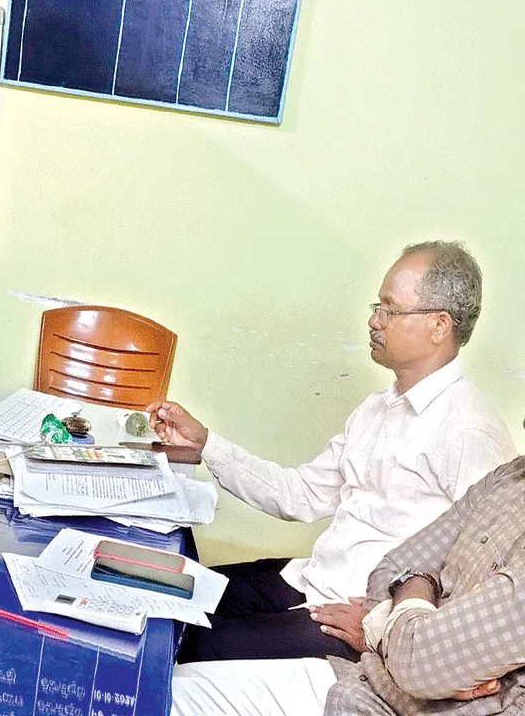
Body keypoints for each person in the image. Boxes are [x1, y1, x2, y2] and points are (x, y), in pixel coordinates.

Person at [148, 241, 514, 663]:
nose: (374, 321)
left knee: (179, 647)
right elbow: (300, 495)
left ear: (439, 325)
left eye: (391, 310)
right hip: (311, 578)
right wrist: (206, 443)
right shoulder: (377, 409)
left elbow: (485, 575)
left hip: (353, 614)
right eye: (377, 306)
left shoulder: (471, 432)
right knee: (165, 602)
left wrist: (382, 627)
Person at [172, 453, 525, 715]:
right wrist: (411, 611)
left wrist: (411, 623)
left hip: (370, 664)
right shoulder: (511, 476)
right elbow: (394, 568)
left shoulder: (470, 432)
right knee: (176, 632)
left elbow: (422, 660)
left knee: (185, 657)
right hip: (365, 645)